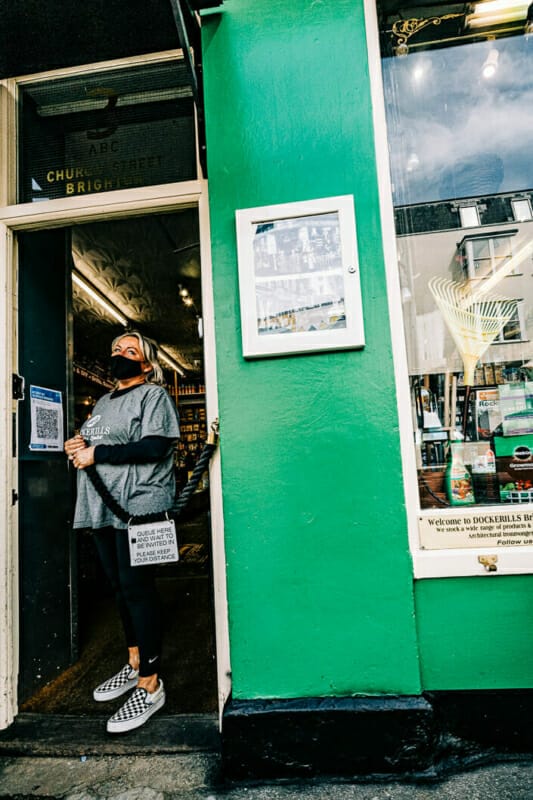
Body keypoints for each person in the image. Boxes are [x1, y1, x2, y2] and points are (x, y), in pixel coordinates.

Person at [64, 331, 180, 734]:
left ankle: (150, 682)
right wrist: (79, 444)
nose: (120, 355)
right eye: (115, 349)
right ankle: (134, 661)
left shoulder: (154, 397)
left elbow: (155, 446)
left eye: (131, 351)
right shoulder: (101, 402)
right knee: (117, 588)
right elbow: (99, 443)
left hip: (138, 506)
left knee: (137, 590)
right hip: (101, 508)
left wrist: (97, 452)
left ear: (147, 364)